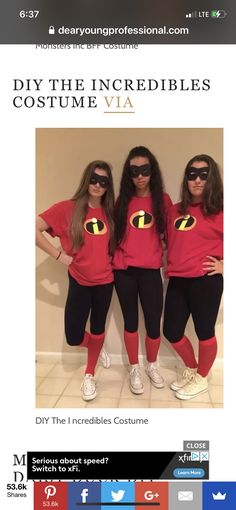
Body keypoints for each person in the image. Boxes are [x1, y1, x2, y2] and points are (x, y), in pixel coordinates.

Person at [36, 160, 115, 401]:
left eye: (103, 181)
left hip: (105, 281)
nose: (98, 185)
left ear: (108, 185)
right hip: (80, 280)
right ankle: (96, 347)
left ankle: (89, 375)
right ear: (86, 179)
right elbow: (33, 229)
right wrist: (59, 255)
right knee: (73, 335)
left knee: (99, 327)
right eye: (94, 178)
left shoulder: (111, 212)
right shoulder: (67, 209)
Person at [163, 154, 223, 400]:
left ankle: (202, 377)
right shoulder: (175, 210)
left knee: (204, 331)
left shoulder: (222, 211)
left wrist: (225, 266)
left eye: (203, 175)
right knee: (172, 330)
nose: (197, 180)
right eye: (192, 175)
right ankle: (192, 367)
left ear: (212, 179)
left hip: (205, 280)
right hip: (177, 279)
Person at [113, 146, 172, 394]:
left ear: (152, 171)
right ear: (129, 173)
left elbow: (174, 236)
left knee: (152, 324)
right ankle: (134, 367)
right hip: (124, 272)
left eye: (144, 170)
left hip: (150, 272)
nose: (139, 176)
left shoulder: (164, 201)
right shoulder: (121, 202)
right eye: (134, 171)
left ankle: (151, 365)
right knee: (130, 322)